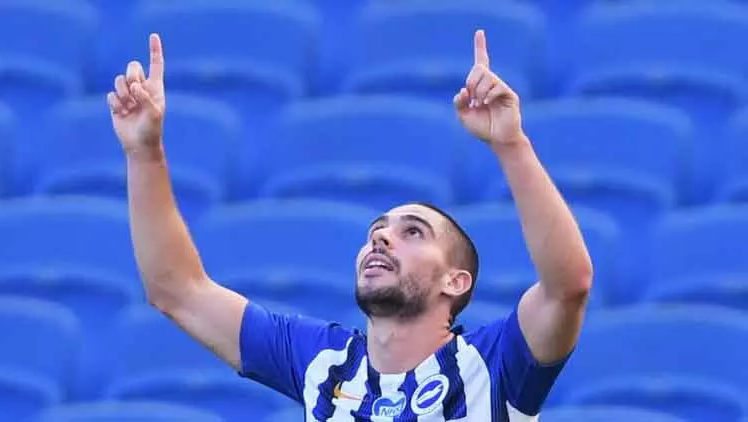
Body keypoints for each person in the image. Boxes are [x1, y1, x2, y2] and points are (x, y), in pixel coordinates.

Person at [107, 29, 593, 421]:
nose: (381, 237)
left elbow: (568, 286)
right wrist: (144, 153)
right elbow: (177, 290)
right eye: (377, 230)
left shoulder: (494, 365)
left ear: (456, 281)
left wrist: (510, 144)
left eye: (412, 232)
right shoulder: (323, 361)